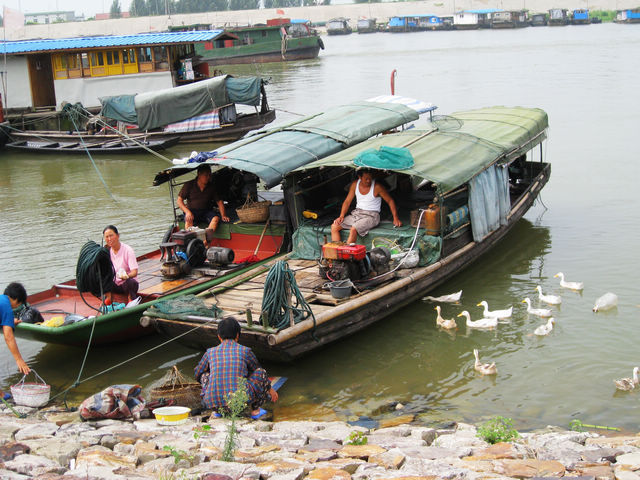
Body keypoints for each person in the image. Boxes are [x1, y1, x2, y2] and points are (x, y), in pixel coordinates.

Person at [194, 317, 278, 419]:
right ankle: (255, 410)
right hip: (239, 401)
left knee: (204, 375)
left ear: (219, 336)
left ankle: (218, 412)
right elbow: (257, 371)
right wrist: (269, 389)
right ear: (237, 335)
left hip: (213, 403)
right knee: (261, 372)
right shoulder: (245, 351)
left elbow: (197, 373)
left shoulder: (210, 352)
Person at [332, 169, 402, 244]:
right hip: (357, 213)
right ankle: (337, 252)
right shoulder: (355, 184)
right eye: (366, 179)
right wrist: (341, 216)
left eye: (370, 178)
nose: (369, 181)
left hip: (372, 216)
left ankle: (346, 253)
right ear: (360, 177)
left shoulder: (377, 187)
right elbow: (347, 201)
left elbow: (390, 201)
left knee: (353, 229)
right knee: (334, 226)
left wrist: (395, 218)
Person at [177, 164, 229, 234]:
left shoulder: (211, 187)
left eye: (209, 175)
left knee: (216, 218)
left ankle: (206, 242)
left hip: (206, 211)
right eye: (206, 175)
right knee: (188, 219)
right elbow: (179, 200)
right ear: (199, 174)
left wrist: (223, 215)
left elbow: (219, 202)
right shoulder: (189, 185)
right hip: (192, 211)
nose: (208, 177)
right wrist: (187, 212)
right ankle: (189, 239)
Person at [1, 283, 31, 376]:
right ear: (16, 299)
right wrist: (19, 360)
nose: (17, 307)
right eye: (19, 304)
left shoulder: (1, 300)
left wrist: (8, 321)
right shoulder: (7, 307)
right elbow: (8, 337)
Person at [103, 225, 139, 303]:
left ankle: (130, 299)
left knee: (131, 282)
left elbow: (134, 272)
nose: (109, 239)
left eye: (111, 236)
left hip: (126, 284)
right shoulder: (107, 251)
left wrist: (126, 276)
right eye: (106, 237)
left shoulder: (128, 250)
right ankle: (109, 299)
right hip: (115, 284)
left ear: (118, 236)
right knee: (102, 279)